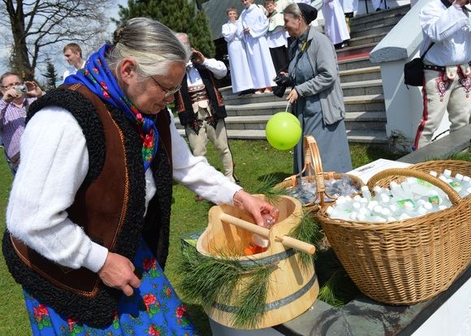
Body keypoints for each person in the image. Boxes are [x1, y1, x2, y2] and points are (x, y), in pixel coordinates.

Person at [3, 17, 277, 335]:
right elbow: (30, 219)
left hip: (124, 247)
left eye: (176, 89)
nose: (172, 99)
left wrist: (240, 196)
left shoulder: (150, 111)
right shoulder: (62, 120)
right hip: (63, 267)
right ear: (129, 70)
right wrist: (100, 261)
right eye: (166, 87)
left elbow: (186, 165)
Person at [413, 0, 471, 149]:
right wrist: (457, 6)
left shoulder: (470, 9)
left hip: (464, 73)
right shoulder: (431, 9)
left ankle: (459, 157)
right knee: (431, 122)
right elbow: (437, 33)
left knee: (462, 121)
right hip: (437, 73)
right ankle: (417, 162)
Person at [283, 3, 353, 174]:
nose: (284, 26)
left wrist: (300, 89)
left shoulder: (320, 42)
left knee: (322, 157)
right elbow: (303, 71)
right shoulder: (296, 45)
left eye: (286, 21)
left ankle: (330, 194)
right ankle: (312, 192)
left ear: (299, 19)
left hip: (322, 110)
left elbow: (328, 75)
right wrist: (287, 78)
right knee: (308, 154)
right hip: (304, 110)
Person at [174, 32, 238, 190]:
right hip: (191, 115)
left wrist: (204, 60)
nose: (184, 48)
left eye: (186, 44)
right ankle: (205, 185)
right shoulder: (174, 69)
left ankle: (230, 176)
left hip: (213, 111)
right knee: (198, 153)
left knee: (223, 147)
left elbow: (223, 71)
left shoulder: (204, 62)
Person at [0, 72, 44, 174]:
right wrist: (4, 101)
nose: (15, 87)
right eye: (10, 85)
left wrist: (40, 96)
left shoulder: (34, 101)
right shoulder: (2, 108)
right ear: (2, 90)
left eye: (17, 83)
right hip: (20, 160)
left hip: (42, 151)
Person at [238, 0, 277, 94]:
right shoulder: (243, 14)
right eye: (242, 1)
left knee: (264, 61)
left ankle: (269, 84)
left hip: (259, 39)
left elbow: (265, 24)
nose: (245, 2)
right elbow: (239, 27)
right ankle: (259, 86)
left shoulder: (258, 10)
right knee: (255, 65)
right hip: (250, 42)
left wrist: (252, 30)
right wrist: (244, 31)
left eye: (246, 0)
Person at [221, 7, 255, 94]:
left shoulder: (240, 23)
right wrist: (233, 26)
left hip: (241, 45)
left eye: (233, 13)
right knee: (237, 66)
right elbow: (228, 37)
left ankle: (250, 85)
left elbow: (241, 35)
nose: (232, 15)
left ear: (236, 15)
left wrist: (238, 28)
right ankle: (241, 87)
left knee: (245, 64)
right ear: (228, 16)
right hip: (233, 46)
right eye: (230, 14)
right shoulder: (225, 26)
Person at [264, 0, 292, 74]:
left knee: (284, 59)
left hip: (281, 39)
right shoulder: (267, 18)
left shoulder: (281, 12)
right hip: (272, 42)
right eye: (267, 7)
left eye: (270, 6)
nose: (269, 8)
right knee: (276, 61)